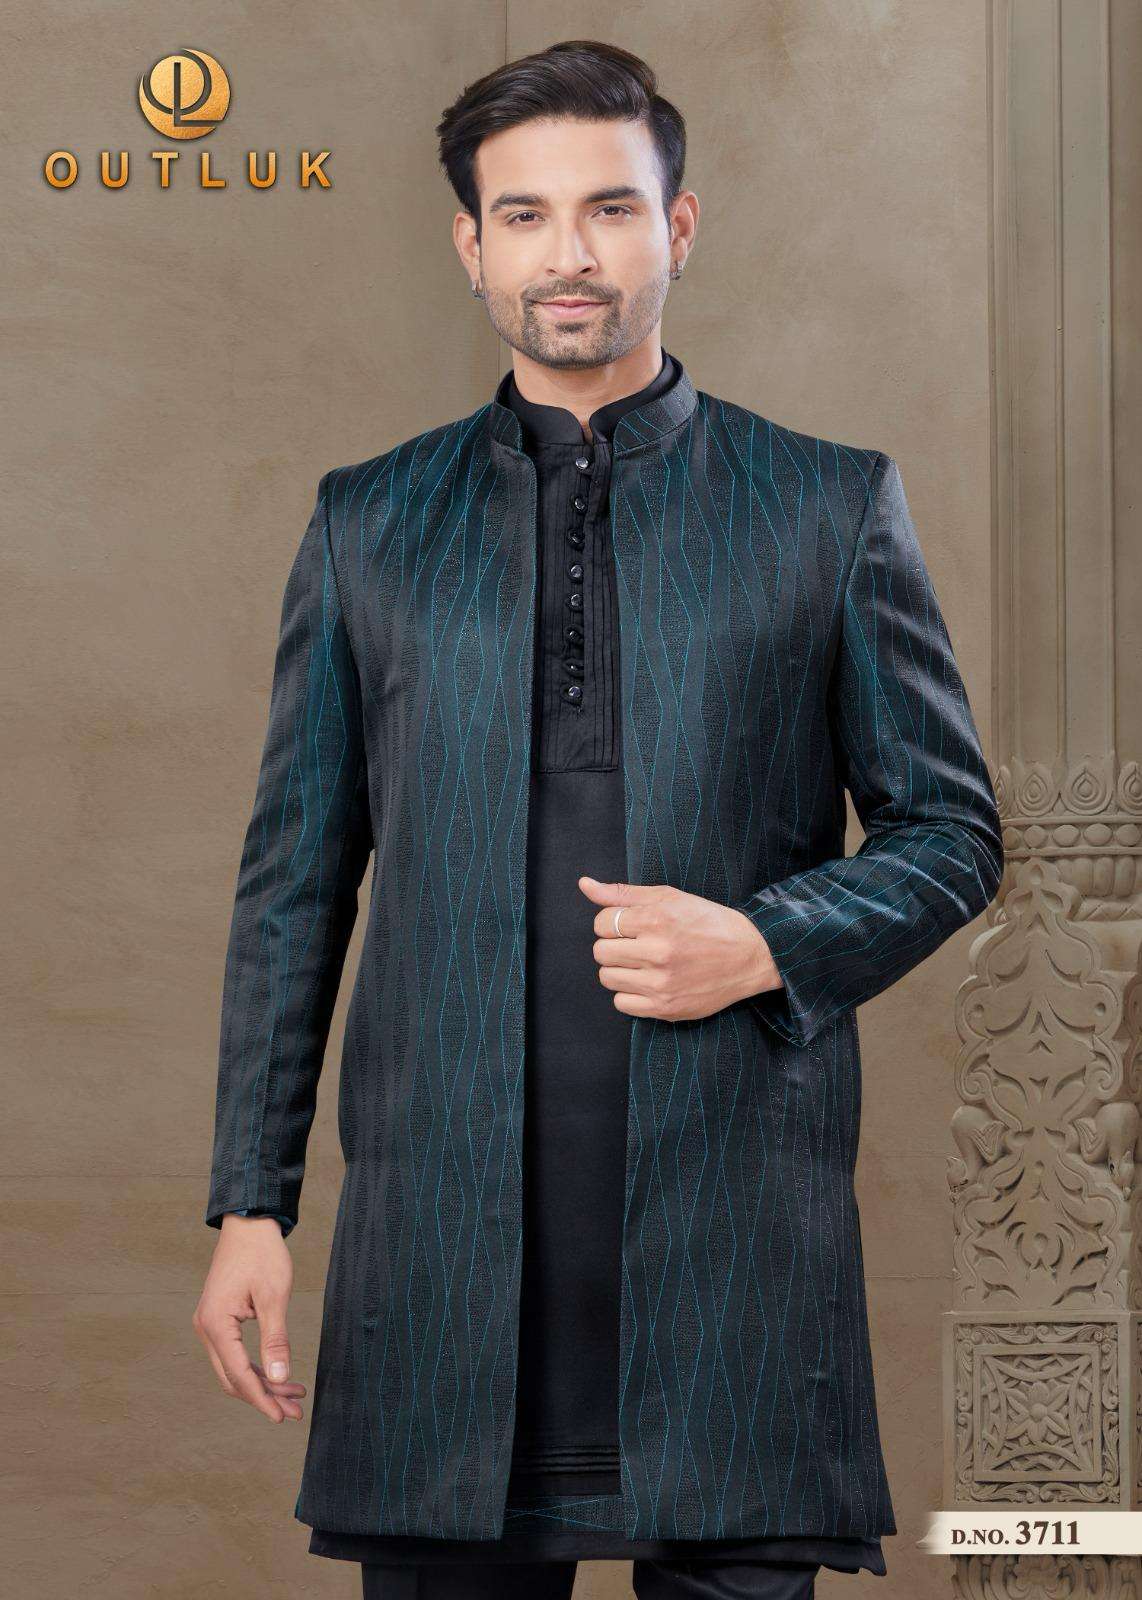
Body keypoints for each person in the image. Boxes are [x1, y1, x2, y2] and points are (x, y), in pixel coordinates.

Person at [193, 38, 1004, 1600]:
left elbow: (951, 833)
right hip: (440, 1266)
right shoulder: (370, 523)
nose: (567, 252)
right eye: (524, 214)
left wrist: (764, 940)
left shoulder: (823, 502)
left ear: (676, 227)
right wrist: (250, 1202)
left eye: (610, 208)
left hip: (733, 1265)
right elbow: (295, 885)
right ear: (470, 244)